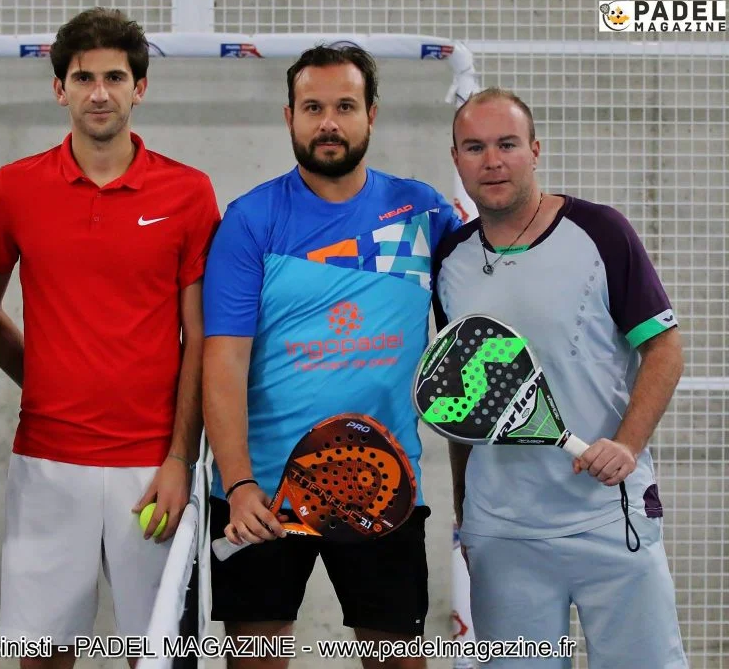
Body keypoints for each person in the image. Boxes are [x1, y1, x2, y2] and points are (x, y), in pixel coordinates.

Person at [0, 8, 220, 668]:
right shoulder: (13, 189)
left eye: (115, 77)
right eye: (84, 78)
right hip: (48, 469)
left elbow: (201, 338)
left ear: (141, 86)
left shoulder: (190, 193)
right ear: (60, 88)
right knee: (42, 655)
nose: (100, 92)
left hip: (154, 474)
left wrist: (178, 460)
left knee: (164, 656)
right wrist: (49, 376)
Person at [202, 44, 461, 669]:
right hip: (263, 492)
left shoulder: (424, 212)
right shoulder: (250, 220)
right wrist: (238, 485)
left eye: (344, 106)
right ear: (288, 115)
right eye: (313, 107)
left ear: (371, 114)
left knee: (397, 659)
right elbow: (223, 363)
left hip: (385, 484)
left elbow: (469, 331)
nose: (328, 122)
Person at [435, 87, 688, 668]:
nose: (492, 160)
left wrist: (627, 445)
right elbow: (466, 397)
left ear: (535, 150)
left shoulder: (601, 231)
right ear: (456, 160)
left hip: (609, 516)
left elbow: (665, 350)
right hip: (502, 534)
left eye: (507, 144)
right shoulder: (449, 260)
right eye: (474, 147)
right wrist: (466, 511)